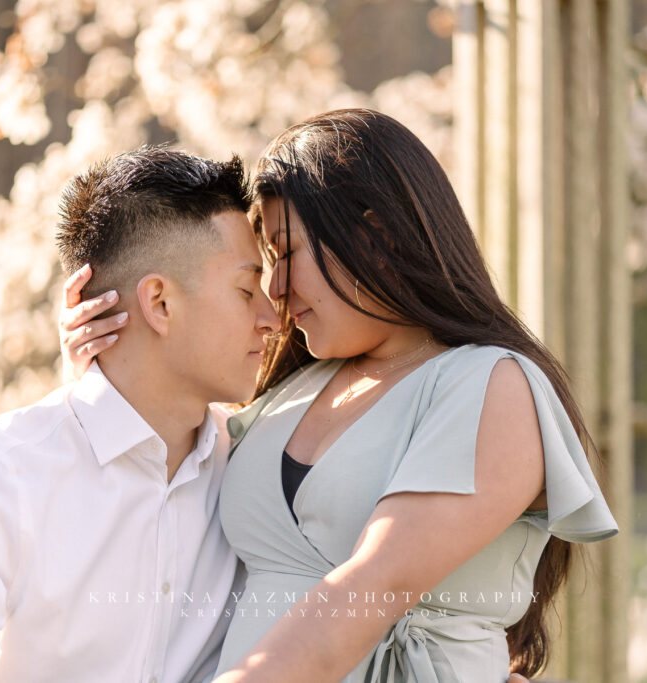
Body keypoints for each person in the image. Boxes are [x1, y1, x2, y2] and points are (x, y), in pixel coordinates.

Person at [62, 109, 618, 682]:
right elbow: (164, 485)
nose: (274, 290)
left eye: (287, 255)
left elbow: (374, 584)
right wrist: (108, 368)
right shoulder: (287, 395)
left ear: (373, 236)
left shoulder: (494, 386)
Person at [0, 147, 280, 682]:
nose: (271, 318)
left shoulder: (252, 462)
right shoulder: (3, 474)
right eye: (247, 290)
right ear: (159, 303)